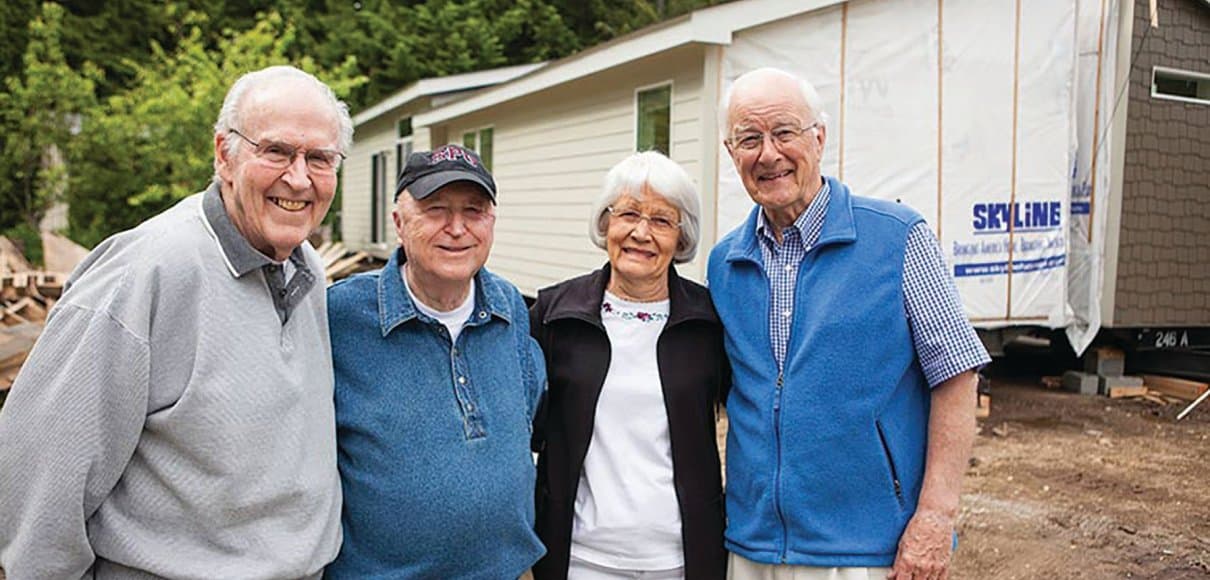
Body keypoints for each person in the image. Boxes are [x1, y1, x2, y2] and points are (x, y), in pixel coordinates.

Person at [0, 65, 349, 578]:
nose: (298, 178)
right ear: (223, 154)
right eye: (275, 151)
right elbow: (40, 477)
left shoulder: (306, 269)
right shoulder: (145, 272)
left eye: (319, 158)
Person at [707, 67, 991, 580]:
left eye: (784, 133)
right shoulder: (725, 262)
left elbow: (957, 376)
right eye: (749, 139)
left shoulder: (898, 238)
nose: (768, 154)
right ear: (732, 154)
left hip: (865, 550)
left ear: (819, 137)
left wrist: (935, 516)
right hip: (753, 546)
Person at [325, 144, 546, 578]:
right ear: (399, 223)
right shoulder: (340, 317)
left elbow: (526, 419)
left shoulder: (509, 307)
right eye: (436, 209)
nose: (457, 228)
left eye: (474, 210)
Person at [530, 151, 729, 580]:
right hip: (578, 558)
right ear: (606, 223)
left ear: (682, 237)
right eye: (629, 214)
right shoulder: (554, 314)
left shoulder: (709, 322)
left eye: (661, 220)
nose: (642, 232)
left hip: (679, 559)